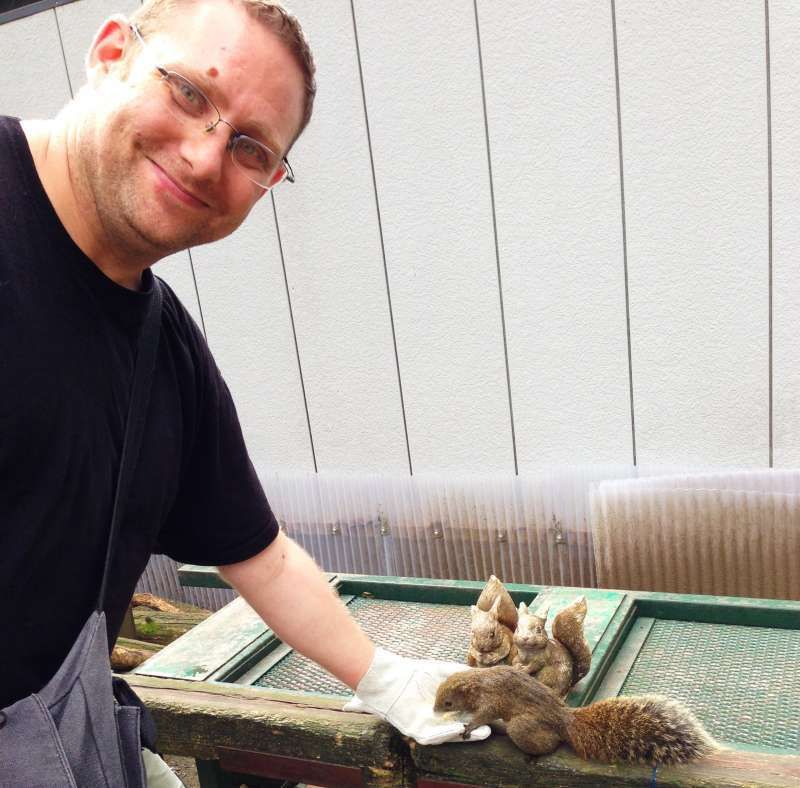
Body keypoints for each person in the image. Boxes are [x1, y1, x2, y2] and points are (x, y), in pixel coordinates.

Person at [0, 0, 488, 783]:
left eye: (252, 148)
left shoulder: (166, 353)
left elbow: (258, 553)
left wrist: (388, 679)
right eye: (190, 93)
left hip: (61, 740)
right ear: (110, 53)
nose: (203, 158)